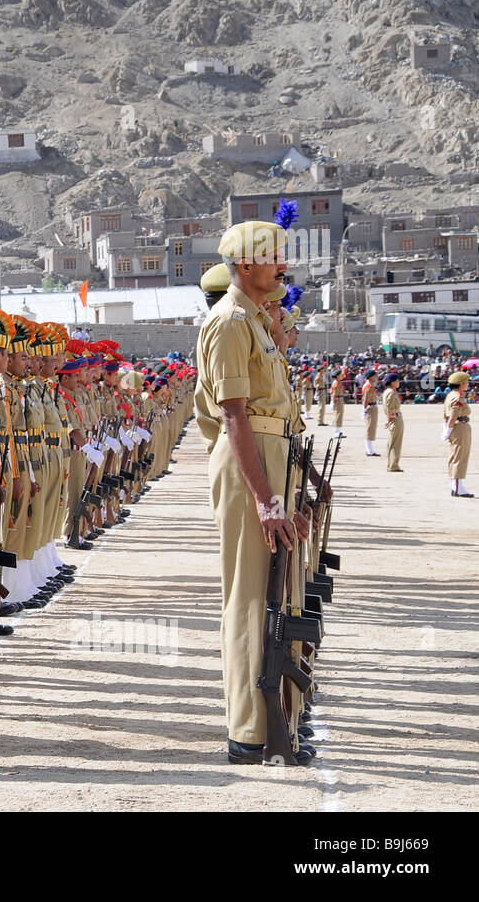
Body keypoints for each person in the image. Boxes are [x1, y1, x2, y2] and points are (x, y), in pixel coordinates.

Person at [194, 220, 312, 767]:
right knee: (247, 596)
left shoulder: (258, 322)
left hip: (271, 460)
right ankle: (247, 728)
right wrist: (266, 500)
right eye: (273, 259)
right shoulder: (230, 321)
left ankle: (275, 720)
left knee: (276, 593)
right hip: (250, 467)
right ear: (245, 264)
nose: (282, 266)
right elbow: (234, 415)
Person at [444, 371, 472, 497]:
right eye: (466, 382)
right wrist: (448, 430)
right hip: (459, 427)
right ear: (461, 383)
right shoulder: (458, 396)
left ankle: (455, 485)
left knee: (455, 456)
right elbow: (453, 415)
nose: (467, 384)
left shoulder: (451, 395)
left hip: (457, 427)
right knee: (460, 457)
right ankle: (457, 487)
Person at [383, 372, 404, 472]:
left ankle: (392, 464)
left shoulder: (389, 392)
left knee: (393, 442)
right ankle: (393, 465)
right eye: (397, 380)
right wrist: (388, 420)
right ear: (392, 382)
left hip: (394, 418)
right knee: (395, 443)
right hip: (395, 419)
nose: (398, 382)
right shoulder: (391, 393)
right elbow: (390, 409)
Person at [362, 370, 380, 456]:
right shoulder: (369, 386)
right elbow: (366, 400)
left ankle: (370, 449)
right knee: (369, 428)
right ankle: (369, 450)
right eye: (375, 375)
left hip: (372, 407)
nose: (376, 377)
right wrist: (364, 410)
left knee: (371, 428)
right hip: (370, 407)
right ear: (370, 377)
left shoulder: (370, 385)